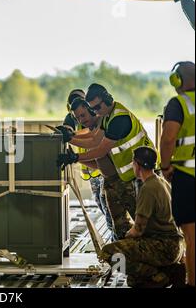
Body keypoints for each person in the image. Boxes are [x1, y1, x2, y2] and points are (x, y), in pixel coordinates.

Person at [57, 83, 156, 239]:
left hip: (141, 174)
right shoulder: (106, 116)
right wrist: (71, 138)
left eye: (96, 108)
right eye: (93, 109)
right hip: (127, 176)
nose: (95, 112)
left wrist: (75, 157)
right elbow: (94, 139)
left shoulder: (119, 119)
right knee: (120, 226)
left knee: (145, 225)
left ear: (107, 99)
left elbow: (100, 148)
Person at [100, 146, 185, 288]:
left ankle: (160, 275)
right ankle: (167, 271)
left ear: (137, 165)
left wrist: (126, 237)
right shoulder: (162, 182)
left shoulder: (148, 188)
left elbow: (138, 229)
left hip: (163, 246)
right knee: (134, 281)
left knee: (109, 253)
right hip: (176, 245)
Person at [160, 61, 195, 287]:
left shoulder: (179, 104)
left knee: (192, 239)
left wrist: (165, 167)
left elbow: (168, 138)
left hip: (187, 177)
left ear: (177, 80)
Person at [68, 98, 115, 241]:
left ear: (90, 109)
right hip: (109, 178)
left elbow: (95, 142)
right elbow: (97, 163)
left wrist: (71, 142)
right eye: (78, 118)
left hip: (121, 178)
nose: (81, 120)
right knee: (112, 223)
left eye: (83, 115)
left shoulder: (102, 122)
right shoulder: (94, 126)